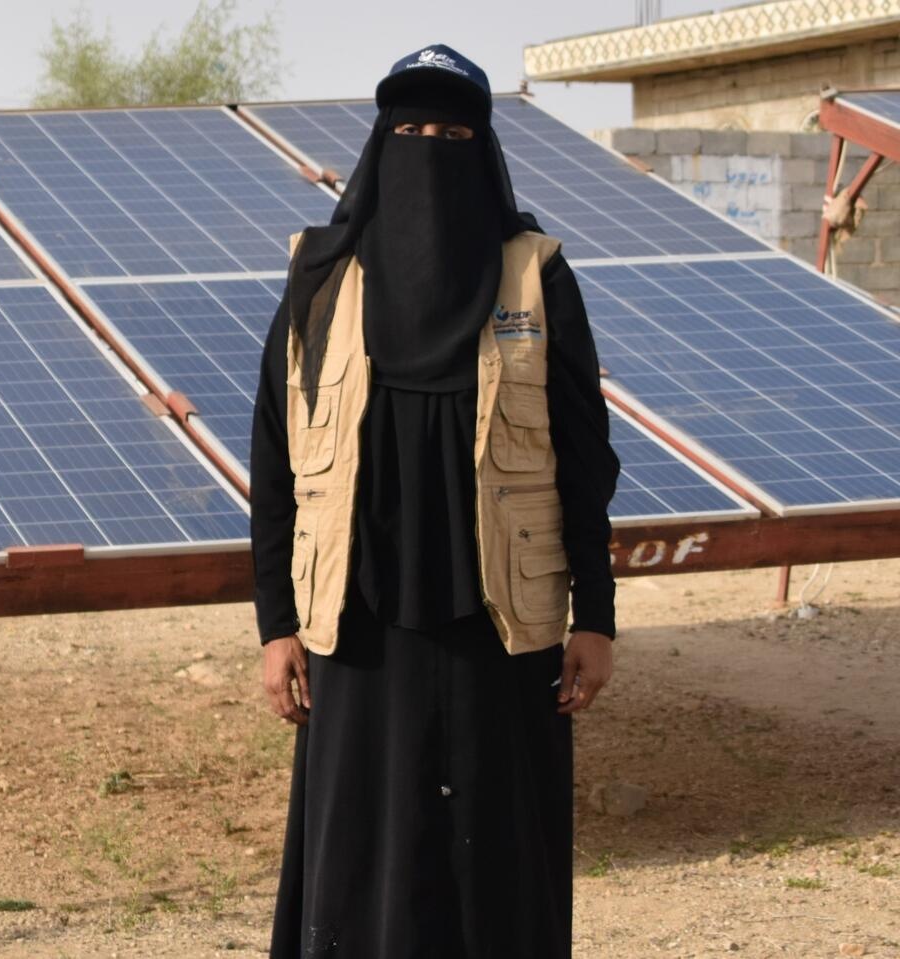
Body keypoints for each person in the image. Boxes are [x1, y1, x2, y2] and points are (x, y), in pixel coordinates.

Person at [250, 43, 620, 959]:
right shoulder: (321, 279)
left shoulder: (535, 277)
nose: (429, 145)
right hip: (357, 627)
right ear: (381, 143)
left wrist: (597, 618)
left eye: (453, 131)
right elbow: (274, 461)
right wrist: (274, 624)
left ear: (485, 151)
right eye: (410, 128)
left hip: (504, 634)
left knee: (497, 868)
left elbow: (585, 462)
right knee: (359, 865)